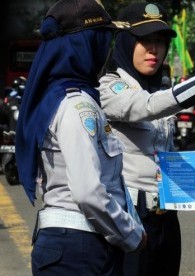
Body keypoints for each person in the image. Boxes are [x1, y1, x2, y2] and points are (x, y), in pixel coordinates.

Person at [97, 2, 195, 275]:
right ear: (124, 42)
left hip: (166, 217)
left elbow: (168, 162)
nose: (154, 49)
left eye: (160, 41)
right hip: (129, 216)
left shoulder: (162, 89)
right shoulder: (110, 86)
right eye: (144, 40)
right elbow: (145, 105)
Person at [15, 0, 147, 275]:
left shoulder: (58, 97)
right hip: (82, 246)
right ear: (88, 45)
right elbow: (88, 192)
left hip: (69, 243)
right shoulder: (78, 107)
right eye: (104, 41)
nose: (107, 51)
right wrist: (131, 235)